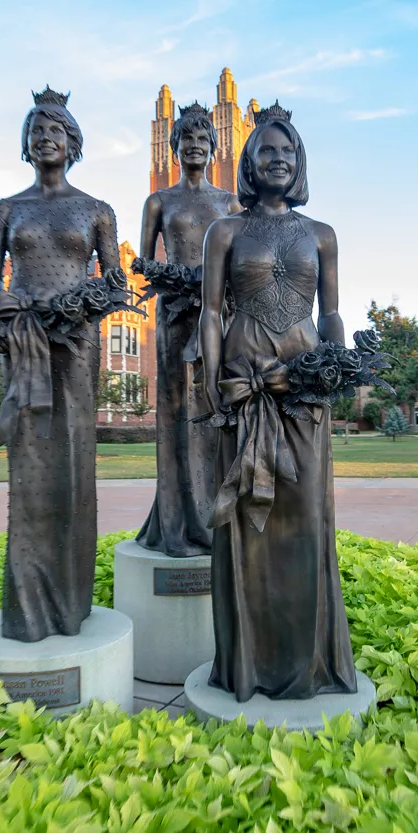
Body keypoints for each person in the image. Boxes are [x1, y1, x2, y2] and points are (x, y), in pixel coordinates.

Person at [197, 103, 357, 701]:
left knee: (304, 519)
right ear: (248, 160)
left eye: (288, 153)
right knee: (246, 520)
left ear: (300, 164)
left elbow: (332, 311)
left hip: (306, 386)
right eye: (267, 151)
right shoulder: (226, 232)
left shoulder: (322, 235)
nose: (279, 161)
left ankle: (307, 662)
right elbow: (212, 313)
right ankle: (250, 663)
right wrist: (212, 383)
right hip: (244, 383)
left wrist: (340, 367)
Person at [0, 87, 126, 642]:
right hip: (24, 346)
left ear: (73, 143)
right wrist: (7, 312)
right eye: (37, 130)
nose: (46, 138)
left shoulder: (96, 211)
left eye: (57, 130)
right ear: (26, 142)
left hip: (76, 346)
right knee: (30, 466)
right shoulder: (5, 211)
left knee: (73, 460)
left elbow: (115, 287)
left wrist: (76, 306)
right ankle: (26, 606)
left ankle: (69, 602)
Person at [135, 102, 242, 557]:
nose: (194, 146)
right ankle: (178, 520)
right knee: (177, 409)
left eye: (202, 139)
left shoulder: (229, 202)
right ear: (175, 147)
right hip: (175, 315)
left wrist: (213, 290)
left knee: (213, 407)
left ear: (213, 147)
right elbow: (144, 264)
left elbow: (241, 264)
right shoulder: (160, 201)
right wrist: (179, 281)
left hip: (217, 318)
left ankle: (214, 516)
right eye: (186, 139)